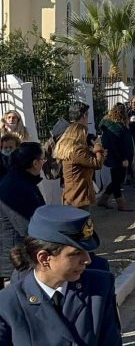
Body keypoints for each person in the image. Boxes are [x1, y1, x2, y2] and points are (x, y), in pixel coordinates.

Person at [0, 205, 121, 345]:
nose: (87, 260)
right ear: (44, 258)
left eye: (87, 252)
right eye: (76, 253)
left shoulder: (100, 286)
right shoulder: (7, 305)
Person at [0, 143, 46, 288]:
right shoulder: (15, 186)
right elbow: (26, 226)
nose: (44, 162)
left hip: (22, 255)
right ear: (35, 163)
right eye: (42, 159)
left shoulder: (21, 180)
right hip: (17, 260)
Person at [54, 122, 106, 209]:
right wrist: (98, 145)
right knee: (83, 221)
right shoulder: (77, 151)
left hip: (72, 193)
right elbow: (97, 164)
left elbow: (84, 161)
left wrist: (94, 152)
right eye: (84, 134)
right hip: (78, 194)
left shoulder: (69, 149)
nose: (86, 137)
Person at [97, 103, 135, 211]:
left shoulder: (112, 124)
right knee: (117, 180)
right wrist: (123, 158)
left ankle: (104, 199)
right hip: (117, 158)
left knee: (116, 180)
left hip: (114, 157)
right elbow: (118, 145)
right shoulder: (116, 127)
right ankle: (121, 204)